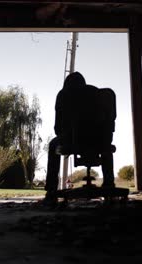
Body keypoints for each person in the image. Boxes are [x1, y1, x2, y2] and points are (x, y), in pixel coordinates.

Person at [44, 72, 116, 203]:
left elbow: (57, 128)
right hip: (99, 140)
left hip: (72, 140)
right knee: (106, 146)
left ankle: (51, 189)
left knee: (53, 144)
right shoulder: (100, 94)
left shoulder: (63, 95)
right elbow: (109, 123)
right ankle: (109, 184)